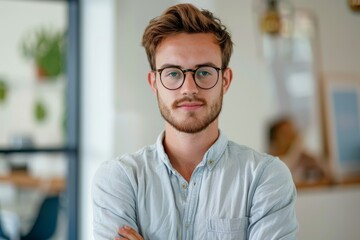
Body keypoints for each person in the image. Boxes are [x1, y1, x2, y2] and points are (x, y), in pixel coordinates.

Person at [92, 3, 298, 240]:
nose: (189, 88)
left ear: (225, 80)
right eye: (172, 73)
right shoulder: (119, 180)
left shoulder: (266, 177)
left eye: (204, 72)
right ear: (154, 83)